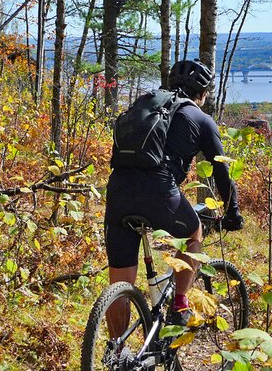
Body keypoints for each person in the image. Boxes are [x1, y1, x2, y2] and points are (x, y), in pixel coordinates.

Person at [104, 59, 244, 331]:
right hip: (159, 190)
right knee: (193, 234)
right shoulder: (201, 119)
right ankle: (180, 302)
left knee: (120, 283)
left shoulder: (147, 105)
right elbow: (222, 172)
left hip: (118, 189)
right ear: (202, 93)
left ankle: (117, 353)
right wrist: (232, 213)